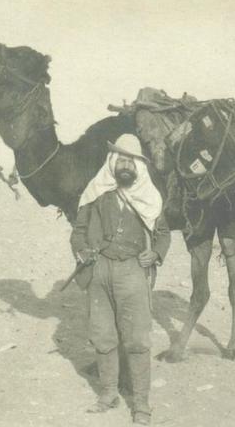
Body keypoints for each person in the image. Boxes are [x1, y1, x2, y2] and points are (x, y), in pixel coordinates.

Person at [70, 134, 170, 425]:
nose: (125, 165)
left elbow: (163, 234)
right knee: (103, 336)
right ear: (112, 162)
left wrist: (156, 254)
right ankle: (108, 394)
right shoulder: (96, 192)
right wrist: (82, 251)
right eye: (121, 160)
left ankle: (141, 406)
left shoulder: (150, 198)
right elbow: (78, 231)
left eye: (131, 161)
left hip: (133, 272)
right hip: (99, 270)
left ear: (139, 166)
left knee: (137, 339)